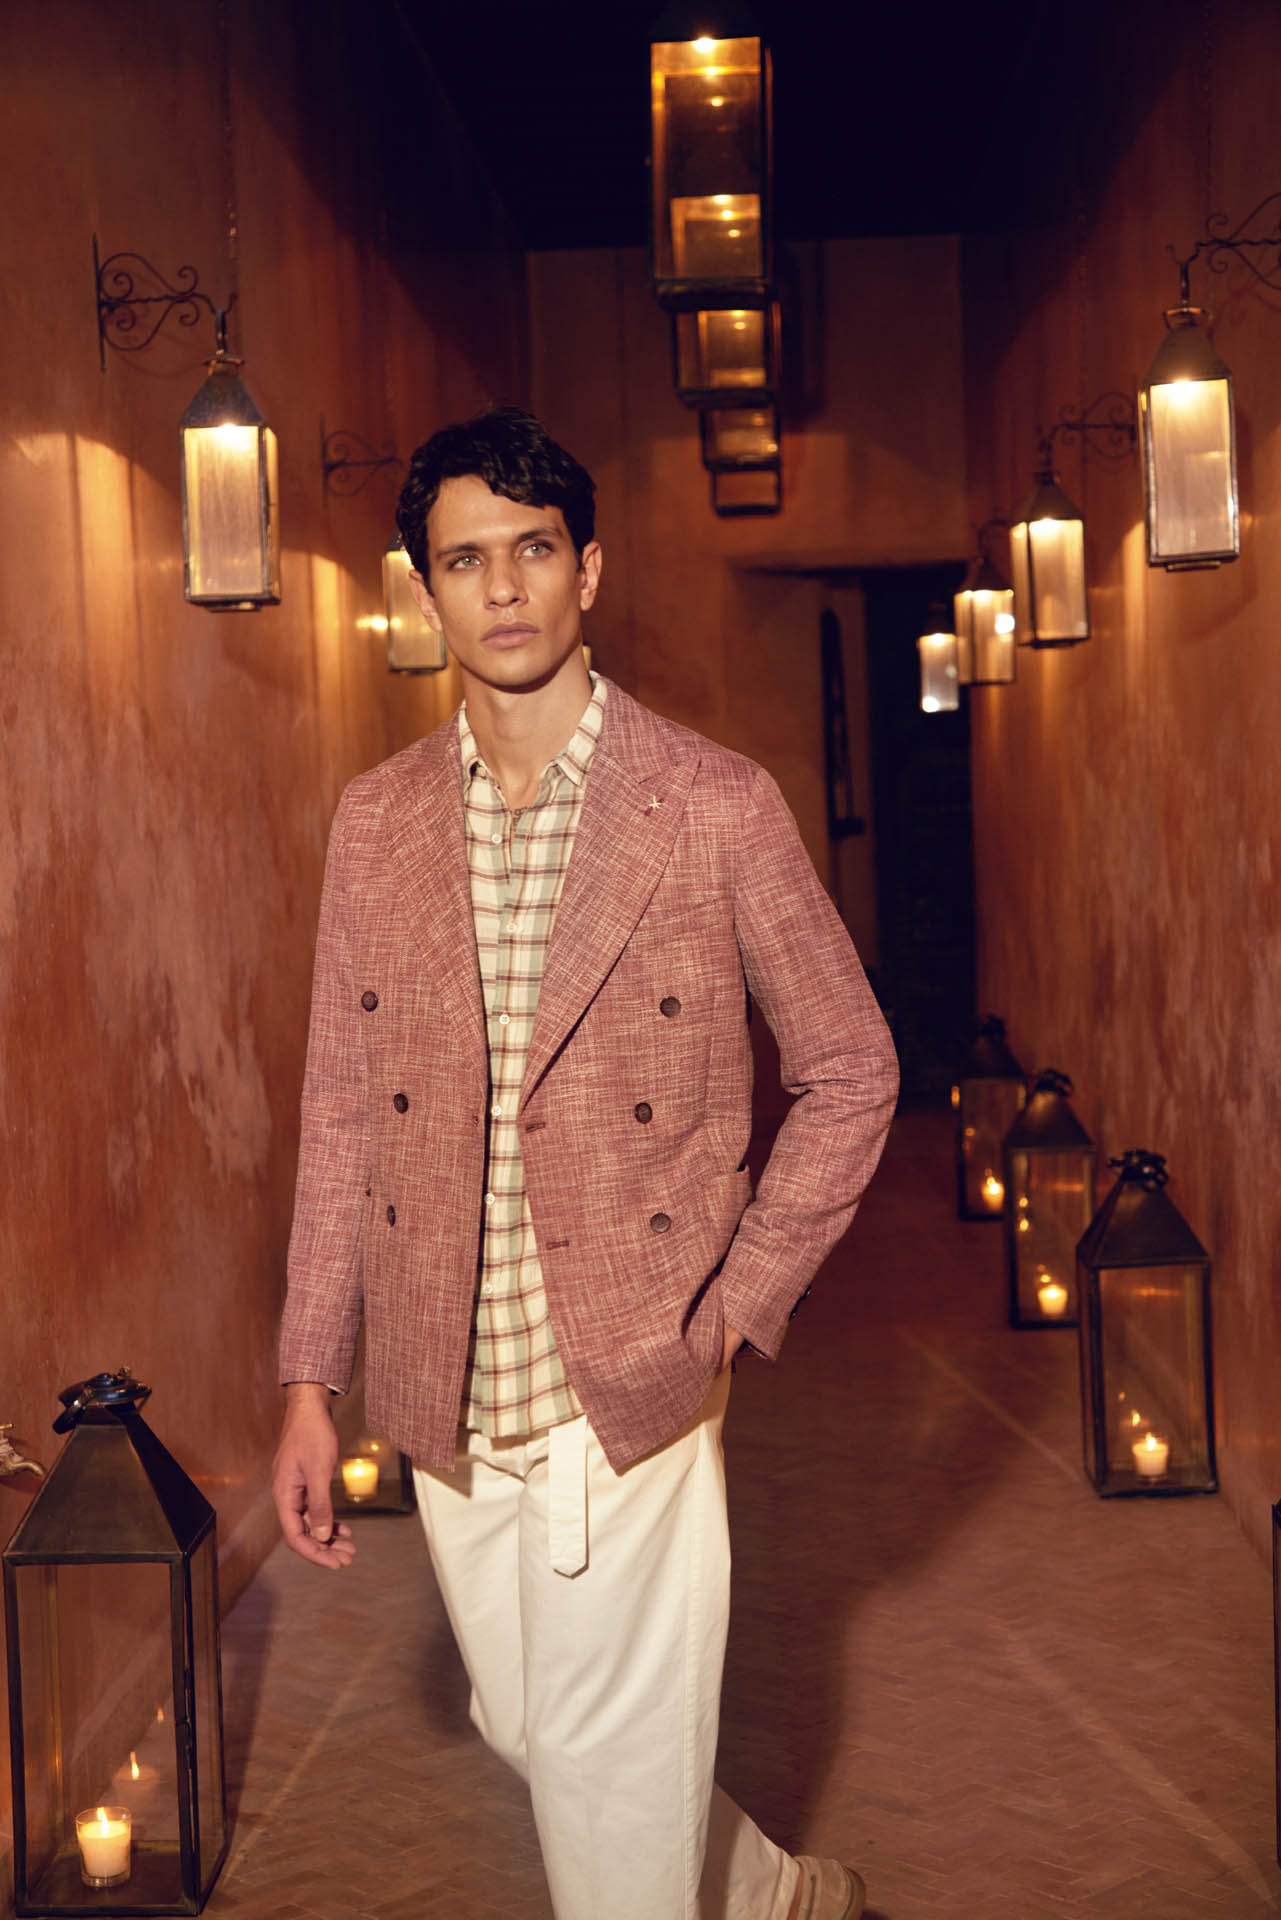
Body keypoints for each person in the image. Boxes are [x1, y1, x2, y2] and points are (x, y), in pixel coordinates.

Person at [273, 405, 898, 1920]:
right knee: (536, 1731)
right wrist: (307, 1377)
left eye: (533, 549)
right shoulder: (375, 823)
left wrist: (731, 1307)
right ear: (423, 590)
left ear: (588, 570)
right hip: (444, 1377)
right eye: (464, 559)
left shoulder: (712, 804)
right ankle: (771, 1896)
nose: (502, 588)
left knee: (606, 1789)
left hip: (630, 1368)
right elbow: (343, 1110)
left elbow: (850, 1067)